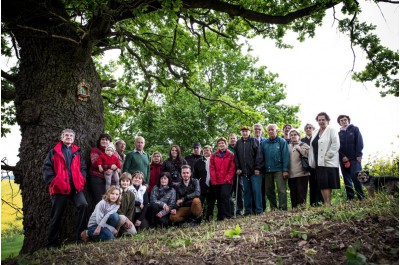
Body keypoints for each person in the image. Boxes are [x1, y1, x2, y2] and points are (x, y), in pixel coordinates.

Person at [43, 129, 88, 248]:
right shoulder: (54, 152)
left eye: (71, 136)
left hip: (75, 187)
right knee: (56, 216)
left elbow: (83, 167)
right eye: (66, 135)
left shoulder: (77, 152)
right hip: (59, 188)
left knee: (83, 205)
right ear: (62, 138)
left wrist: (82, 179)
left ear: (74, 138)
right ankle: (51, 244)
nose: (69, 137)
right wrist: (54, 182)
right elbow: (47, 168)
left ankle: (79, 238)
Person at [308, 112, 341, 206]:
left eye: (323, 119)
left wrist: (327, 156)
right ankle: (327, 203)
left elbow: (336, 145)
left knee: (327, 184)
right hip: (318, 162)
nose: (321, 121)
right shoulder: (315, 132)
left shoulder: (331, 130)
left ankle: (328, 203)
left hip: (328, 162)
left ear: (327, 120)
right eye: (319, 120)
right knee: (322, 184)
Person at [259, 124, 290, 211]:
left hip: (279, 170)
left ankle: (283, 208)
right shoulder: (264, 143)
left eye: (272, 129)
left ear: (277, 131)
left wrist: (285, 170)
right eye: (269, 130)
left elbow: (285, 156)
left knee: (282, 190)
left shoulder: (282, 141)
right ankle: (273, 208)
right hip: (267, 170)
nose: (271, 131)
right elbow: (261, 157)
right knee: (269, 191)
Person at [234, 126, 263, 215]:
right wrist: (238, 168)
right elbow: (236, 157)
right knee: (246, 192)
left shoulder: (254, 141)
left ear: (249, 132)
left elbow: (259, 155)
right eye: (243, 131)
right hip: (244, 172)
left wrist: (257, 168)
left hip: (254, 171)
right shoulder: (238, 143)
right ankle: (248, 211)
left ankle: (259, 210)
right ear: (240, 133)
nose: (244, 133)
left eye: (246, 131)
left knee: (256, 191)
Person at [337, 114, 365, 200]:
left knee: (356, 177)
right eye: (341, 120)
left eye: (345, 119)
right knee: (347, 179)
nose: (343, 121)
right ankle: (350, 198)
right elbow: (337, 146)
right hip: (343, 160)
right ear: (339, 123)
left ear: (348, 120)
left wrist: (359, 154)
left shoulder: (355, 129)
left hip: (355, 158)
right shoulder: (338, 134)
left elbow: (359, 142)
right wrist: (343, 156)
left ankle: (361, 197)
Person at [210, 137, 236, 220]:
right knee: (219, 198)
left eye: (223, 143)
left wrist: (227, 179)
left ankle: (228, 215)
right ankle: (220, 216)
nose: (221, 145)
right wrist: (213, 180)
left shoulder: (231, 154)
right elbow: (212, 168)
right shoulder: (213, 155)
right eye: (219, 143)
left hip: (227, 181)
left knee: (225, 196)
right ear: (218, 145)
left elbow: (232, 168)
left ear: (226, 144)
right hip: (216, 181)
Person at [88, 133, 115, 204]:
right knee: (100, 201)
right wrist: (109, 166)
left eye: (107, 140)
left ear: (110, 142)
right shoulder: (95, 150)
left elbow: (116, 165)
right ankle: (97, 215)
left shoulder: (113, 153)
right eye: (103, 139)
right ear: (99, 141)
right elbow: (95, 163)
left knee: (109, 201)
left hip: (109, 180)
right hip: (97, 178)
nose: (105, 141)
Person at [288, 129, 311, 208]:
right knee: (293, 194)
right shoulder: (288, 146)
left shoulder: (303, 144)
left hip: (302, 173)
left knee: (301, 194)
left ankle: (302, 210)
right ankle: (294, 211)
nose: (293, 136)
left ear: (299, 136)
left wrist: (300, 150)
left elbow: (310, 155)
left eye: (295, 134)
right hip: (291, 174)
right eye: (291, 135)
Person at [301, 123, 323, 206]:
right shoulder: (302, 140)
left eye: (310, 127)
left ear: (313, 129)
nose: (308, 129)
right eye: (307, 128)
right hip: (307, 166)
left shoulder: (318, 139)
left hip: (318, 164)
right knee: (311, 185)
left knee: (319, 184)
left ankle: (320, 202)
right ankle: (312, 204)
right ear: (305, 130)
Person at [193, 145, 215, 220]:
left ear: (211, 151)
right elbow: (195, 175)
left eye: (207, 150)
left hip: (212, 185)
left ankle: (209, 218)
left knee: (211, 202)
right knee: (200, 202)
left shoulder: (214, 160)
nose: (206, 151)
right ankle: (198, 219)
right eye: (204, 150)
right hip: (201, 185)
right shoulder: (198, 162)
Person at [228, 133, 243, 216]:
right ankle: (230, 211)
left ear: (236, 139)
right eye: (231, 138)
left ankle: (239, 210)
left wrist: (240, 168)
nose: (232, 139)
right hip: (229, 174)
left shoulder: (239, 147)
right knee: (229, 193)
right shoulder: (227, 149)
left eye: (234, 138)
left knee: (239, 192)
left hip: (238, 173)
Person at [253, 123, 267, 212]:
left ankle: (263, 208)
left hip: (265, 169)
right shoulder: (251, 141)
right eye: (255, 129)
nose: (257, 130)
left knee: (263, 190)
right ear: (253, 131)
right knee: (255, 190)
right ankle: (255, 209)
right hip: (254, 170)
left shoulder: (265, 141)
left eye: (259, 129)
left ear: (262, 131)